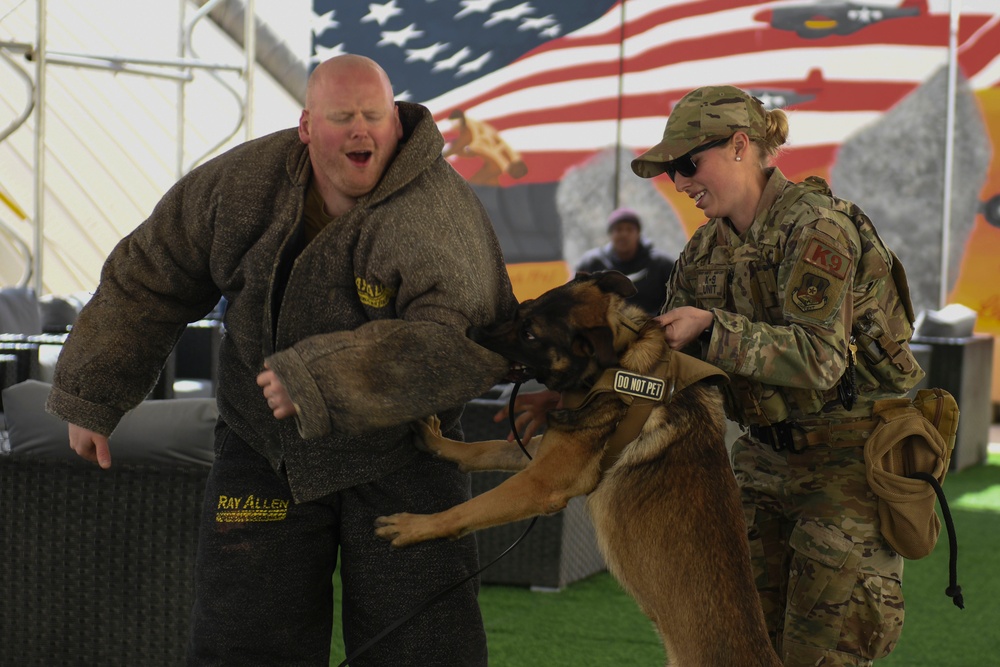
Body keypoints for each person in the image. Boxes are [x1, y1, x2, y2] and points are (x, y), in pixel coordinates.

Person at [45, 54, 518, 666]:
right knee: (243, 640)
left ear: (396, 124)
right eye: (341, 116)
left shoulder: (438, 214)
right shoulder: (241, 185)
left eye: (374, 115)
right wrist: (91, 393)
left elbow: (462, 345)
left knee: (423, 645)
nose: (360, 130)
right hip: (260, 446)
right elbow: (150, 273)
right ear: (305, 126)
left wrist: (322, 380)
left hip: (405, 452)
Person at [632, 86, 924, 665]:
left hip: (846, 467)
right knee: (741, 648)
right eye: (671, 173)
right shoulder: (704, 251)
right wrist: (597, 394)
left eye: (689, 164)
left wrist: (711, 329)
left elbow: (821, 358)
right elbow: (667, 367)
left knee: (821, 655)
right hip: (761, 465)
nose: (681, 182)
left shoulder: (819, 229)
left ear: (741, 145)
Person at [574, 206, 674, 315]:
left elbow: (678, 301)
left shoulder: (661, 264)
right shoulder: (591, 263)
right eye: (618, 229)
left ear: (638, 234)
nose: (624, 235)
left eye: (629, 229)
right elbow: (573, 300)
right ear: (610, 234)